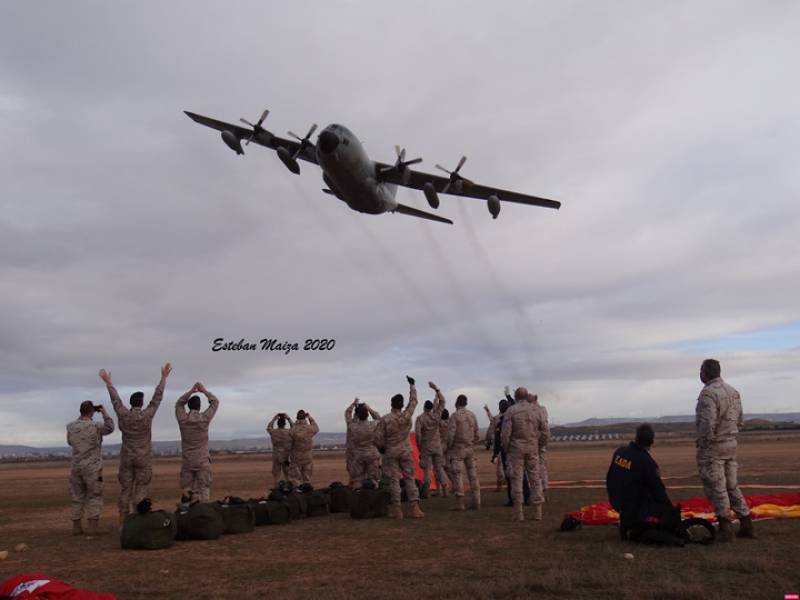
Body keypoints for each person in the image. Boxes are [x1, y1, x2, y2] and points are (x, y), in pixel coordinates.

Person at [99, 363, 170, 525]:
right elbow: (156, 399)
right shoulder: (147, 415)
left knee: (125, 489)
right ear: (141, 403)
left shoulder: (124, 414)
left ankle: (123, 521)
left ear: (130, 403)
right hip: (143, 458)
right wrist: (163, 378)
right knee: (141, 489)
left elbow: (115, 400)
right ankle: (139, 520)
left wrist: (108, 383)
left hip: (127, 458)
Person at [695, 359, 755, 542]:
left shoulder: (708, 394)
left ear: (705, 373)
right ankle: (746, 523)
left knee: (717, 487)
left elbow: (707, 423)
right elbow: (740, 420)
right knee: (732, 485)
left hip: (714, 447)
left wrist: (704, 445)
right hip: (731, 444)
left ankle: (725, 527)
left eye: (701, 371)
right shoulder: (733, 392)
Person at [606, 424, 682, 544]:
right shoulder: (647, 463)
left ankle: (628, 524)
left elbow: (611, 476)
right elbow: (658, 491)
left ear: (636, 437)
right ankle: (639, 529)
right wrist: (670, 510)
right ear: (651, 441)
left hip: (617, 501)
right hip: (633, 506)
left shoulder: (619, 452)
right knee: (657, 506)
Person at [373, 376, 424, 519]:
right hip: (406, 451)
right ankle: (415, 508)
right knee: (410, 478)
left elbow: (377, 438)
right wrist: (412, 386)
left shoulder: (385, 419)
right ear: (401, 405)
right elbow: (413, 402)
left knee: (394, 480)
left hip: (391, 452)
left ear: (391, 404)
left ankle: (397, 510)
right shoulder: (407, 416)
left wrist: (381, 448)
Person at [67, 400, 115, 535]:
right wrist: (104, 413)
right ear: (92, 412)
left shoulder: (71, 426)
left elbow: (70, 442)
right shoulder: (96, 426)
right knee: (94, 496)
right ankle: (92, 528)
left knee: (77, 497)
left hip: (76, 467)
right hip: (92, 468)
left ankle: (76, 527)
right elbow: (110, 428)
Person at [500, 387, 547, 521]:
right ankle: (538, 512)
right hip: (532, 448)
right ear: (526, 396)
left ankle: (519, 513)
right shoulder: (536, 410)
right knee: (535, 479)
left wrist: (507, 448)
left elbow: (505, 434)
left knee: (517, 480)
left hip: (516, 449)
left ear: (515, 397)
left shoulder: (511, 411)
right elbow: (545, 432)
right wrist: (539, 445)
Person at [175, 382, 219, 502]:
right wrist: (204, 391)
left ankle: (187, 514)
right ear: (199, 407)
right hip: (202, 461)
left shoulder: (183, 419)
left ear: (188, 406)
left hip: (188, 461)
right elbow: (215, 402)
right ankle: (203, 515)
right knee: (204, 490)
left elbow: (179, 404)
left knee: (187, 491)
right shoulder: (204, 418)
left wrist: (190, 391)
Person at [493, 397, 530, 507]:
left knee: (510, 476)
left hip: (509, 451)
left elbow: (500, 440)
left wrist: (495, 453)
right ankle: (526, 497)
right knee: (521, 474)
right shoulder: (517, 419)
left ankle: (513, 499)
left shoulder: (503, 422)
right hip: (519, 449)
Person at [447, 393, 481, 510]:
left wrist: (449, 447)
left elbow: (451, 435)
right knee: (473, 475)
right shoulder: (472, 415)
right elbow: (477, 434)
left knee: (457, 475)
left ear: (457, 403)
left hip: (458, 449)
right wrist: (472, 443)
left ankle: (460, 503)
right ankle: (476, 501)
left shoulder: (455, 416)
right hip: (470, 448)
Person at [414, 382, 448, 497]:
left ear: (424, 407)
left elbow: (418, 435)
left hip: (426, 446)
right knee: (439, 468)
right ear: (431, 408)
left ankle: (426, 492)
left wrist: (419, 447)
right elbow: (443, 402)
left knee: (427, 469)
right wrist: (437, 390)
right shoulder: (436, 415)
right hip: (437, 446)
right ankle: (444, 489)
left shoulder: (420, 419)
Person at [345, 398, 381, 487]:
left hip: (358, 455)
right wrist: (368, 408)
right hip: (372, 454)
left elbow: (347, 414)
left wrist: (353, 405)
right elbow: (378, 418)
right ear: (367, 415)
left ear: (357, 415)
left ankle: (358, 496)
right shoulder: (373, 425)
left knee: (357, 480)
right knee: (374, 480)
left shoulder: (352, 427)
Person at [290, 409, 319, 484]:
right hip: (307, 456)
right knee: (307, 478)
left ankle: (297, 493)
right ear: (305, 417)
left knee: (296, 479)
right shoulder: (310, 428)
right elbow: (316, 428)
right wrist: (309, 417)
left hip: (296, 457)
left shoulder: (293, 429)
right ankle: (308, 492)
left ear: (297, 418)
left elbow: (290, 434)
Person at [530, 393, 550, 500]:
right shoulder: (543, 410)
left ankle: (538, 493)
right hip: (540, 442)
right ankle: (544, 488)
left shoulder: (532, 411)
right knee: (542, 467)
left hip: (534, 443)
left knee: (534, 469)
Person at [266, 412, 294, 487]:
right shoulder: (289, 432)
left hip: (277, 456)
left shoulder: (274, 432)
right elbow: (294, 428)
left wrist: (274, 419)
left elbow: (268, 428)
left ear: (278, 424)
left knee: (276, 476)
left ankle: (277, 490)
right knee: (288, 476)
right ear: (284, 424)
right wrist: (288, 418)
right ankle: (289, 490)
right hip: (286, 457)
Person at [484, 403, 505, 492]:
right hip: (511, 445)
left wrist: (488, 442)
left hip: (499, 444)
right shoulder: (511, 416)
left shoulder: (497, 418)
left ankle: (500, 486)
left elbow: (491, 429)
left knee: (500, 466)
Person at [439, 408, 456, 491]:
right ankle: (455, 484)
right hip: (449, 446)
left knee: (439, 466)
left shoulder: (440, 423)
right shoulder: (450, 423)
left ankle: (444, 486)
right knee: (448, 467)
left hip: (441, 446)